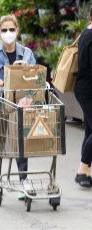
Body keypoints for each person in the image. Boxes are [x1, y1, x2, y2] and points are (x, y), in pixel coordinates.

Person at [0, 14, 36, 196]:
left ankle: (23, 179)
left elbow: (34, 77)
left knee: (21, 140)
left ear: (17, 30)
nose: (8, 33)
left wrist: (30, 95)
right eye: (4, 30)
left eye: (11, 29)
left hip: (20, 104)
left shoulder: (26, 54)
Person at [74, 7, 92, 188]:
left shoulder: (86, 32)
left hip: (84, 88)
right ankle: (82, 170)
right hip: (88, 90)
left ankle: (86, 172)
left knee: (89, 129)